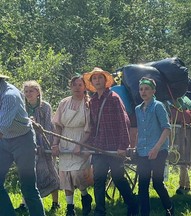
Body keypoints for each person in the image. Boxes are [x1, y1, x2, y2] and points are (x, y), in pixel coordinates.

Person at [83, 67, 138, 216]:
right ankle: (100, 211)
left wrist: (123, 146)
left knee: (118, 177)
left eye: (100, 78)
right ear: (92, 82)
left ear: (105, 80)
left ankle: (133, 204)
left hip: (115, 146)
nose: (97, 81)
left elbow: (124, 121)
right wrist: (91, 144)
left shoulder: (114, 98)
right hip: (99, 147)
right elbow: (93, 125)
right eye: (94, 78)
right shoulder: (92, 102)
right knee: (99, 179)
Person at [0, 74, 46, 216]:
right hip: (4, 141)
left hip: (23, 140)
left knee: (28, 187)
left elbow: (1, 128)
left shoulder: (10, 95)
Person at [15, 80, 60, 213]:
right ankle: (24, 203)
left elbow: (46, 127)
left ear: (38, 92)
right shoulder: (22, 107)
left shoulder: (45, 107)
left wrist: (46, 145)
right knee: (28, 174)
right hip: (28, 144)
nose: (29, 94)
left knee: (51, 172)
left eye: (31, 91)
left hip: (44, 143)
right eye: (26, 91)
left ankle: (55, 203)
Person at [52, 76, 93, 216]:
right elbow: (58, 126)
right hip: (64, 139)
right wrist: (55, 144)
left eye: (80, 85)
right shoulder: (64, 103)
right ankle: (70, 208)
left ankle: (85, 196)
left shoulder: (88, 104)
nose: (77, 87)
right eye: (74, 85)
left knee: (77, 174)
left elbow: (89, 129)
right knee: (65, 175)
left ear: (84, 87)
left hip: (81, 139)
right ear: (70, 87)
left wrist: (80, 145)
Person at [135, 77, 174, 216]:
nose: (143, 92)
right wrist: (136, 147)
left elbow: (166, 129)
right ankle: (144, 213)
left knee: (157, 183)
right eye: (141, 89)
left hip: (158, 150)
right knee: (142, 185)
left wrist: (156, 148)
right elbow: (140, 130)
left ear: (153, 91)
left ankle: (169, 208)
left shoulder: (158, 106)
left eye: (146, 89)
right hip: (142, 151)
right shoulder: (138, 109)